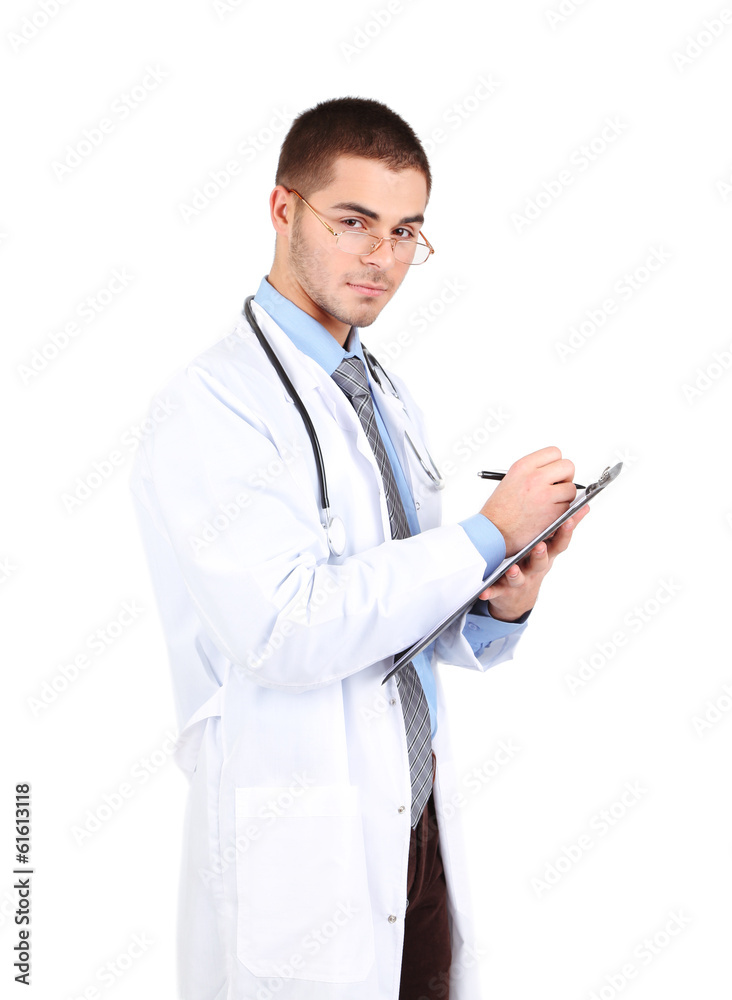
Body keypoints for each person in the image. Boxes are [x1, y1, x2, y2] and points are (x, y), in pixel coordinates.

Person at [128, 96, 589, 1000]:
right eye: (354, 221)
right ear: (283, 209)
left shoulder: (384, 393)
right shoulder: (212, 405)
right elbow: (287, 629)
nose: (383, 255)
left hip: (415, 828)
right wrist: (482, 534)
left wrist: (499, 598)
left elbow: (397, 611)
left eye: (406, 231)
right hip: (300, 835)